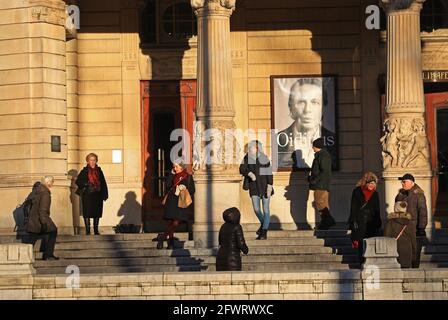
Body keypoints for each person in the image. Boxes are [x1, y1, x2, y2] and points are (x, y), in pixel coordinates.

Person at [276, 78, 336, 169]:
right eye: (301, 102)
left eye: (315, 102)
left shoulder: (333, 141)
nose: (307, 110)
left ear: (323, 107)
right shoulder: (279, 140)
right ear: (291, 107)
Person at [156, 160, 195, 250]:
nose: (174, 168)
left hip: (181, 201)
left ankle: (162, 237)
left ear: (181, 167)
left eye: (176, 167)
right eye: (174, 167)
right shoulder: (173, 175)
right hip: (172, 201)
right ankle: (170, 243)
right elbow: (167, 185)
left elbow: (192, 190)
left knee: (176, 221)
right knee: (171, 221)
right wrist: (171, 174)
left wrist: (184, 188)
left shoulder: (188, 175)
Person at [239, 140, 274, 240]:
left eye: (253, 147)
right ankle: (264, 224)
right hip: (254, 187)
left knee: (266, 209)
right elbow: (241, 169)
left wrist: (270, 186)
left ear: (257, 148)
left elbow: (269, 173)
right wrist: (249, 173)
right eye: (249, 148)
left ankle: (263, 232)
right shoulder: (247, 158)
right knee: (257, 209)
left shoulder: (264, 158)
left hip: (265, 186)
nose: (251, 149)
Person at [394, 173, 428, 268]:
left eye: (404, 182)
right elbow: (396, 212)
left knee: (415, 254)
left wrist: (421, 228)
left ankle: (415, 274)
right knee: (403, 253)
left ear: (412, 183)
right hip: (402, 230)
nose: (402, 183)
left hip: (414, 230)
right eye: (402, 182)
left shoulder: (418, 195)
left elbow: (423, 212)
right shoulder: (400, 195)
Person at [348, 172, 382, 263]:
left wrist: (378, 222)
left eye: (373, 183)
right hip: (359, 221)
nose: (372, 185)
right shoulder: (357, 192)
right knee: (360, 244)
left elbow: (377, 209)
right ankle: (361, 262)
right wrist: (353, 221)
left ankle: (369, 262)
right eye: (370, 183)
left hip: (371, 222)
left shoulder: (375, 194)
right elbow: (353, 207)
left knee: (370, 243)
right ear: (365, 183)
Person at [26, 176, 59, 260]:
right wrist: (44, 223)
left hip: (33, 220)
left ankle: (25, 256)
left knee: (32, 238)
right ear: (48, 182)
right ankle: (48, 255)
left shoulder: (37, 191)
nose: (52, 184)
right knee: (53, 231)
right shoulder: (45, 193)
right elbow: (43, 210)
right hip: (39, 220)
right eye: (52, 182)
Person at [75, 153, 109, 235]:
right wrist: (86, 183)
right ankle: (87, 230)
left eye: (94, 160)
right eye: (91, 160)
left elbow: (103, 183)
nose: (92, 162)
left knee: (97, 212)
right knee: (87, 213)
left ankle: (96, 230)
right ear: (88, 161)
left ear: (96, 161)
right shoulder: (84, 171)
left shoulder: (99, 171)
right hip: (87, 194)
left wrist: (105, 194)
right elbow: (78, 181)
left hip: (97, 194)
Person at [308, 137, 335, 230]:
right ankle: (325, 224)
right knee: (323, 204)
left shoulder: (322, 156)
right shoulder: (321, 155)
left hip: (321, 185)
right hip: (321, 184)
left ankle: (328, 221)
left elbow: (324, 171)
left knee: (320, 202)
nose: (312, 148)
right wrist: (311, 178)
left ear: (317, 146)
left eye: (313, 146)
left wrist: (314, 180)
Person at [384, 200, 416, 268]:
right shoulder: (410, 223)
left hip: (393, 250)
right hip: (407, 250)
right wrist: (414, 252)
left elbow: (386, 238)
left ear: (395, 209)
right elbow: (413, 239)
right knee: (406, 270)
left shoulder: (390, 222)